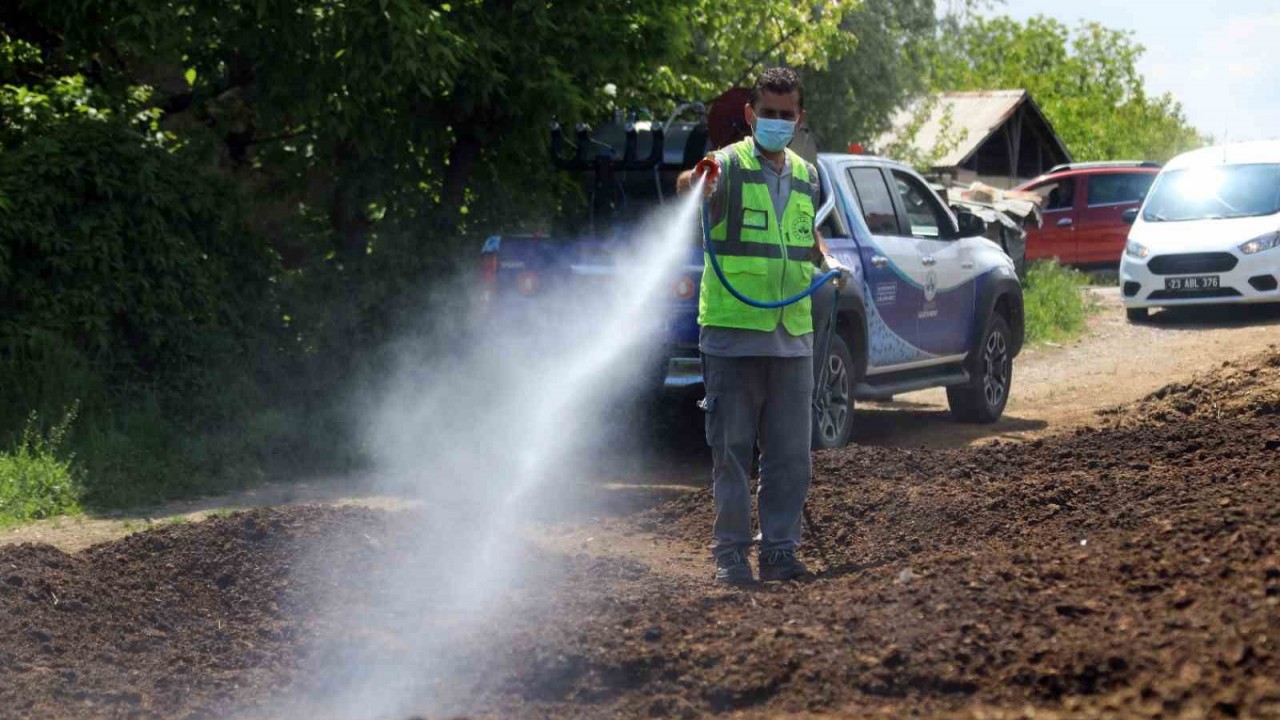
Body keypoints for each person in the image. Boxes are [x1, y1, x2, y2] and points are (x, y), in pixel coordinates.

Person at [676, 67, 850, 584]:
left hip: (792, 338)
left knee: (791, 457)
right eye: (768, 114)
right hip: (732, 336)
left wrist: (827, 261)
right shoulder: (725, 166)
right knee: (730, 454)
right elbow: (686, 185)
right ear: (751, 116)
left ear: (799, 118)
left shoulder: (806, 175)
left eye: (786, 114)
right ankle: (730, 556)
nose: (777, 122)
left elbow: (805, 238)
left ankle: (780, 552)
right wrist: (696, 180)